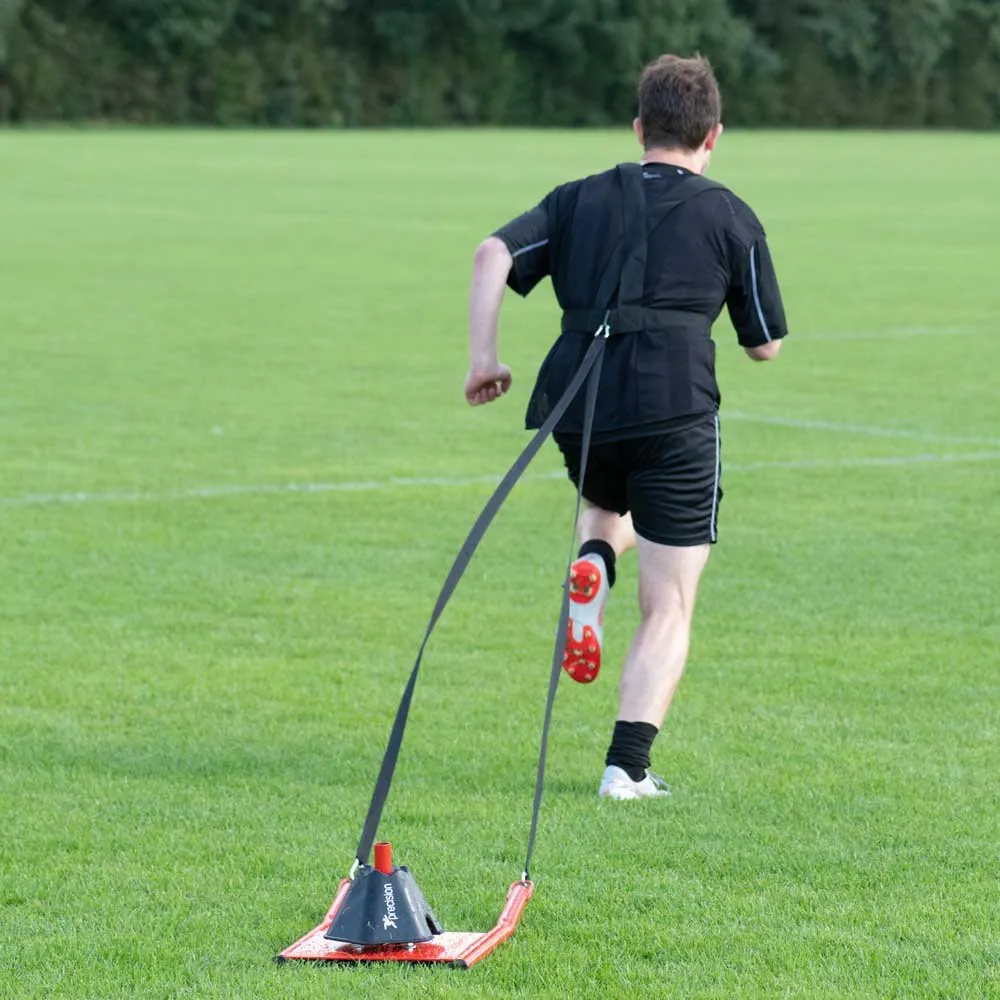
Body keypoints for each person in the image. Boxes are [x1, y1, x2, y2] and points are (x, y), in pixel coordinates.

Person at [464, 54, 787, 800]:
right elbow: (764, 345)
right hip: (675, 407)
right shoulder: (729, 214)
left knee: (608, 503)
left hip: (579, 401)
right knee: (669, 600)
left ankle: (595, 562)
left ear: (640, 128)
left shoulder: (577, 198)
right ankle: (627, 768)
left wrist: (485, 359)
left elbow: (492, 253)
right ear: (713, 135)